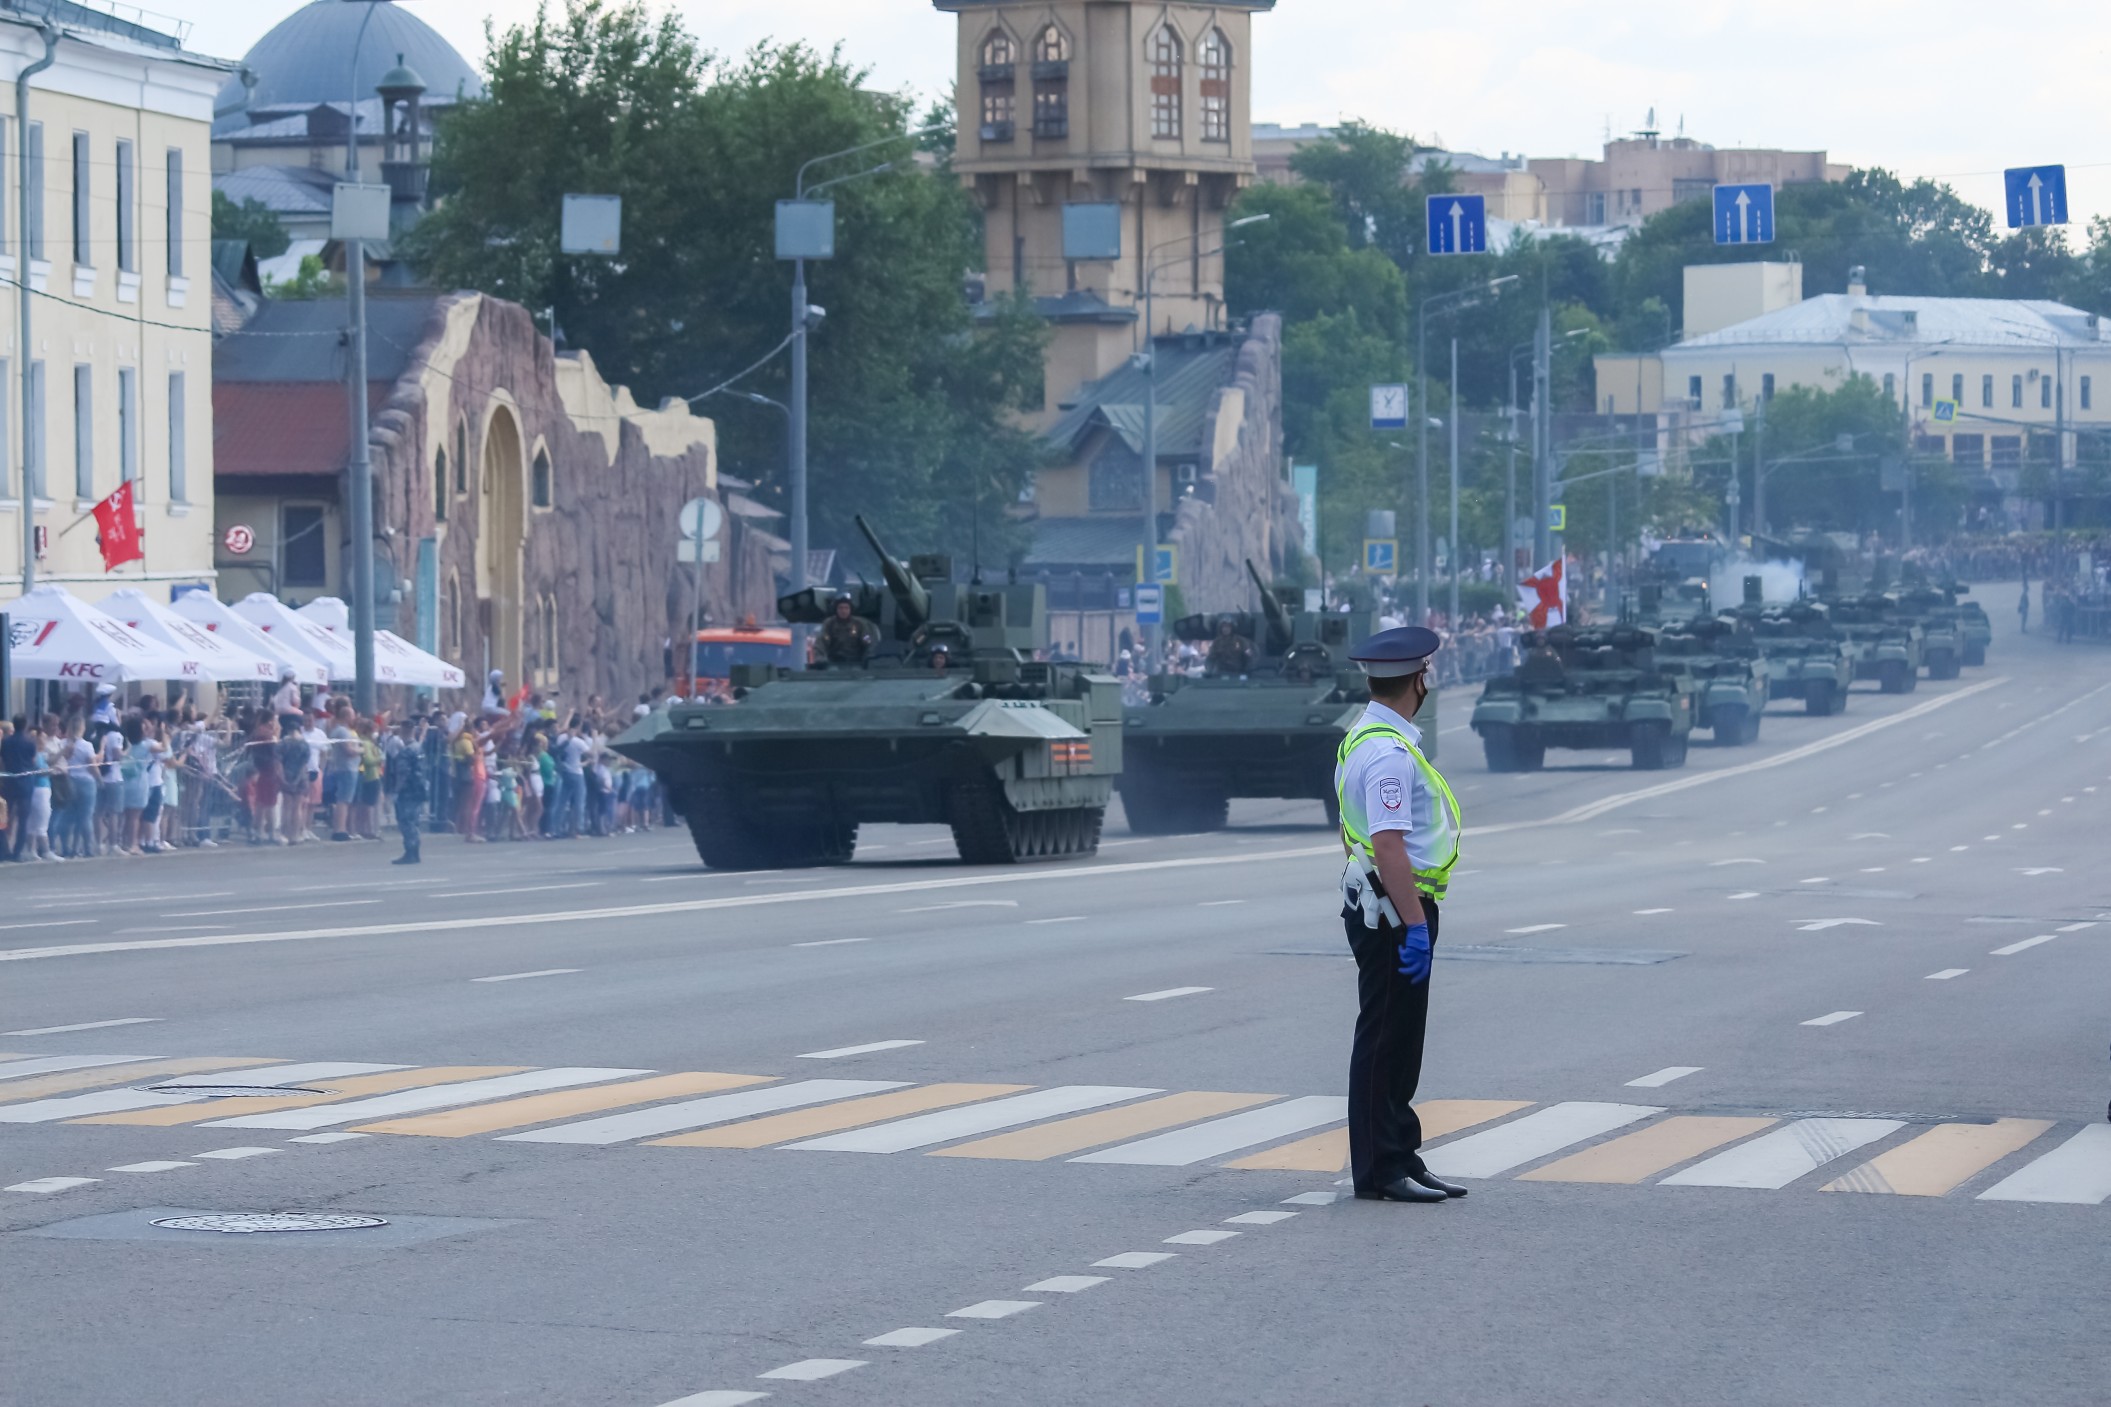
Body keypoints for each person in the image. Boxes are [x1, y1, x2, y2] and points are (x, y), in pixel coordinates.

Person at [1334, 625, 1467, 1205]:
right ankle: (1380, 1169)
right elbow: (1387, 844)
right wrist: (1414, 925)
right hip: (1394, 911)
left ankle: (1401, 1155)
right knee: (1386, 1038)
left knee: (1401, 1038)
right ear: (1419, 680)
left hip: (1385, 904)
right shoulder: (1387, 752)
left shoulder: (1367, 736)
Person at [389, 716, 429, 864]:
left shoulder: (405, 751)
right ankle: (414, 852)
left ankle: (410, 852)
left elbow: (403, 774)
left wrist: (397, 791)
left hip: (407, 791)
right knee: (414, 821)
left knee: (406, 822)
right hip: (418, 790)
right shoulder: (419, 748)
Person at [818, 594, 874, 666]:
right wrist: (820, 658)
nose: (843, 611)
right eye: (840, 608)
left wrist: (868, 657)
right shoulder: (829, 624)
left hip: (856, 662)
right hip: (834, 662)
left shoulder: (859, 624)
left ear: (850, 610)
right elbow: (821, 642)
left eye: (846, 608)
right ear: (836, 610)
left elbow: (867, 641)